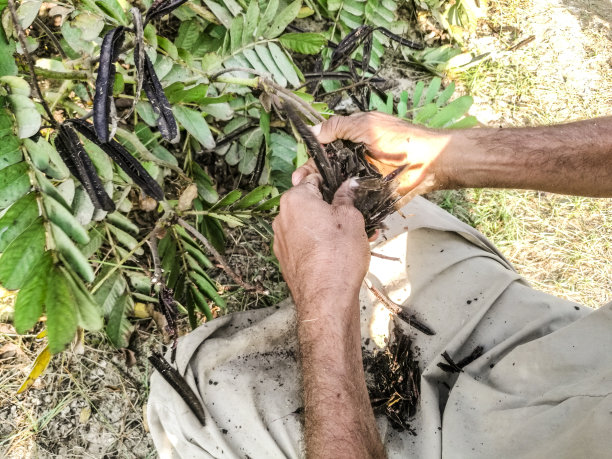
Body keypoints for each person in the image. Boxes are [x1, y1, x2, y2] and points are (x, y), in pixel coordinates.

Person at [147, 112, 612, 458]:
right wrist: (442, 156)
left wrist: (324, 299)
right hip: (568, 358)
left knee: (193, 393)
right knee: (389, 214)